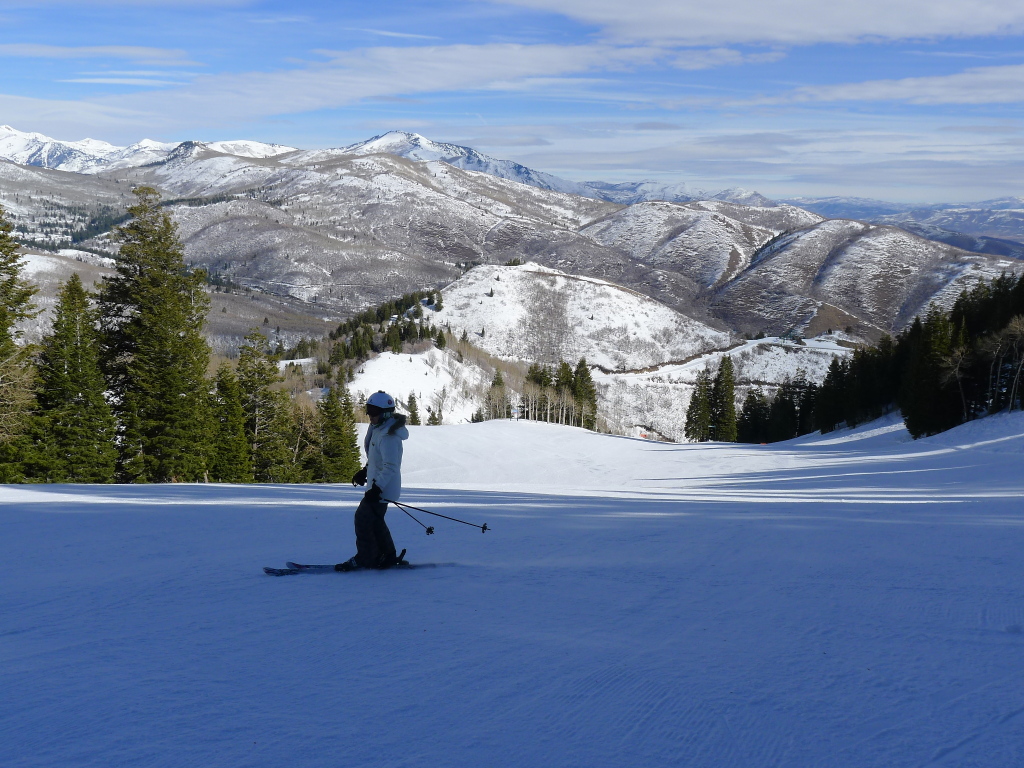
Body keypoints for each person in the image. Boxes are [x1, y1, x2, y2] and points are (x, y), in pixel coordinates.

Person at [336, 391, 410, 571]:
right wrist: (364, 472)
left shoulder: (390, 436)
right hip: (378, 485)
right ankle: (388, 555)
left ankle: (366, 557)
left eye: (374, 412)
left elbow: (391, 466)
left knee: (362, 518)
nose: (370, 415)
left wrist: (377, 488)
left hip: (383, 487)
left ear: (385, 413)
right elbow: (376, 459)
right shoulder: (379, 429)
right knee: (375, 521)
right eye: (369, 410)